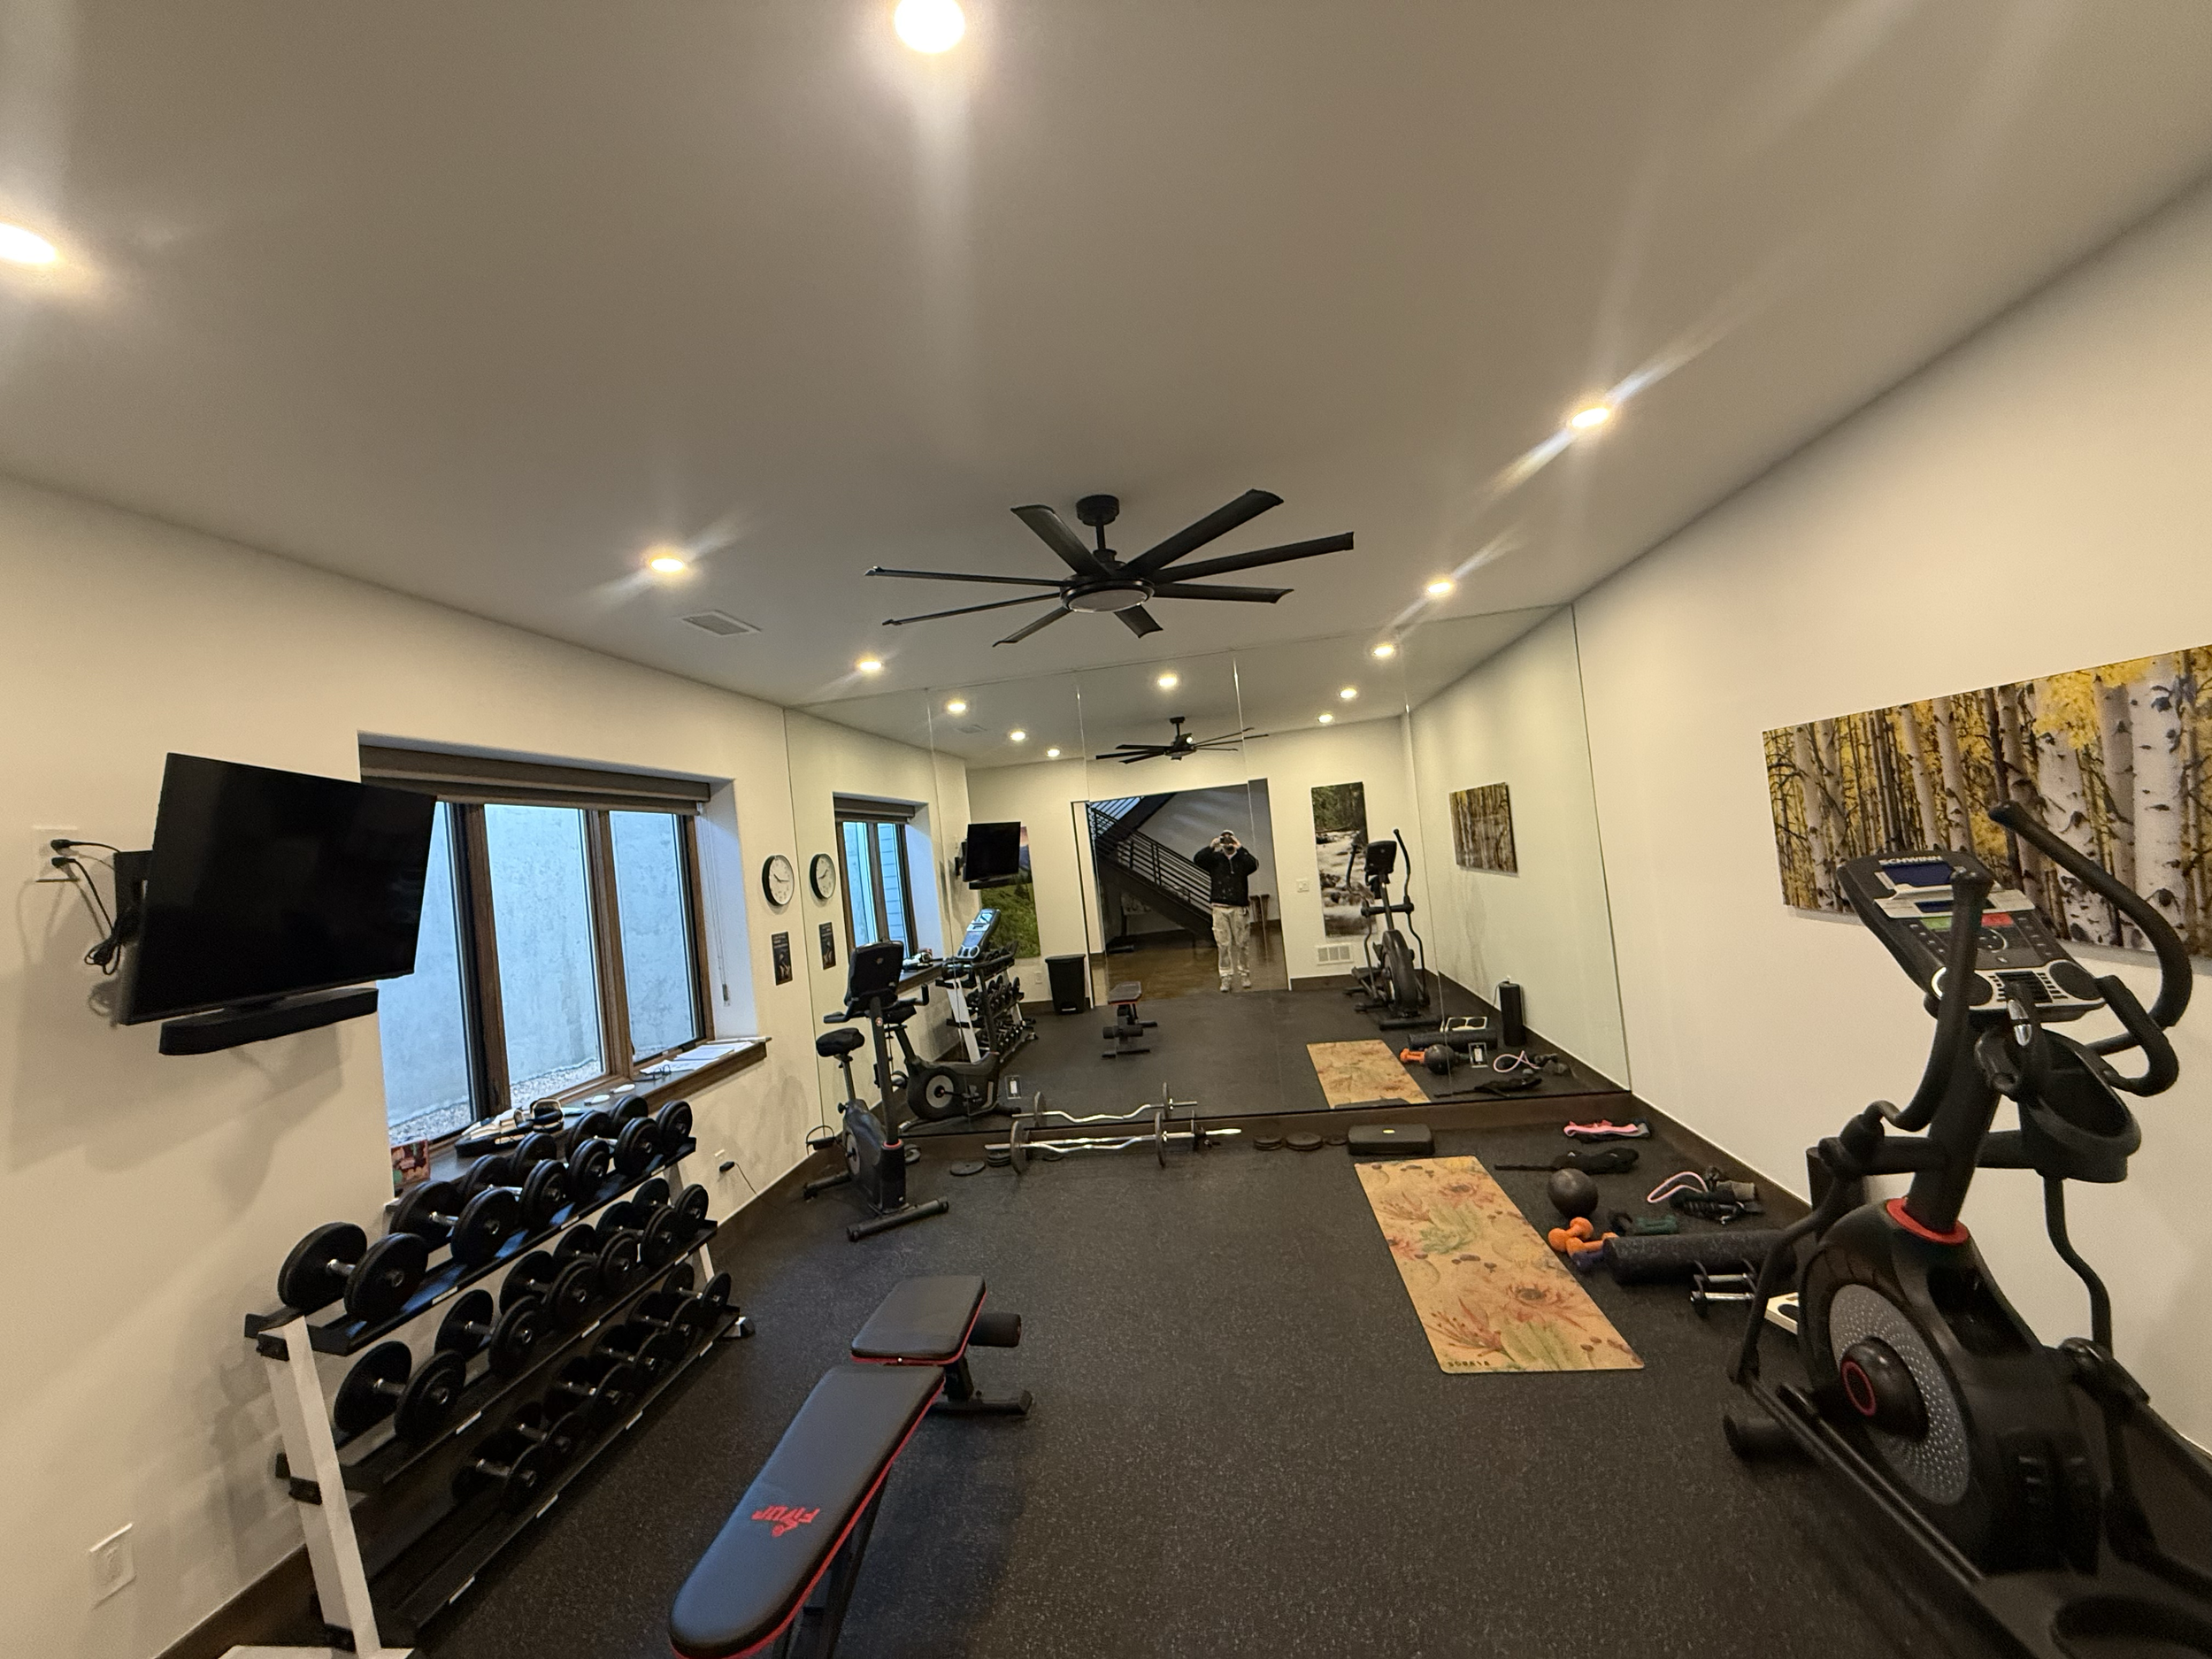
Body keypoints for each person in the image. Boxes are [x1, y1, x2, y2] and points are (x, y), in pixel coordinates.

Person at [1192, 830, 1259, 991]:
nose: (1228, 842)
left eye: (1230, 839)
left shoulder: (1242, 860)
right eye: (1225, 839)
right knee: (1223, 945)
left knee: (1242, 943)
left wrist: (1240, 847)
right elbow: (1198, 860)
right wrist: (1212, 846)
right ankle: (1226, 977)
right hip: (1219, 907)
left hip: (1239, 907)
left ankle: (1245, 975)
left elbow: (1254, 864)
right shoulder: (1215, 859)